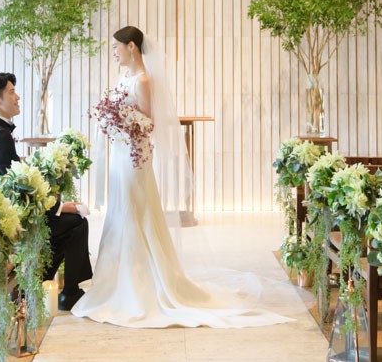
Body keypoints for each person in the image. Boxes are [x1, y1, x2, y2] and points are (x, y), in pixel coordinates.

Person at [70, 27, 289, 328]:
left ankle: (140, 285)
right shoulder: (123, 77)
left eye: (117, 47)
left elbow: (149, 123)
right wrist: (112, 120)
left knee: (135, 211)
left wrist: (122, 118)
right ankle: (116, 280)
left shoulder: (143, 80)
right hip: (121, 153)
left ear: (131, 46)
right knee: (120, 210)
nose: (114, 53)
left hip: (136, 156)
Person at [0, 72, 92, 311]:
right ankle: (54, 291)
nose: (17, 97)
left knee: (65, 222)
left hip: (1, 209)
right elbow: (20, 188)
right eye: (12, 92)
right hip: (8, 217)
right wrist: (60, 207)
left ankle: (44, 288)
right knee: (76, 222)